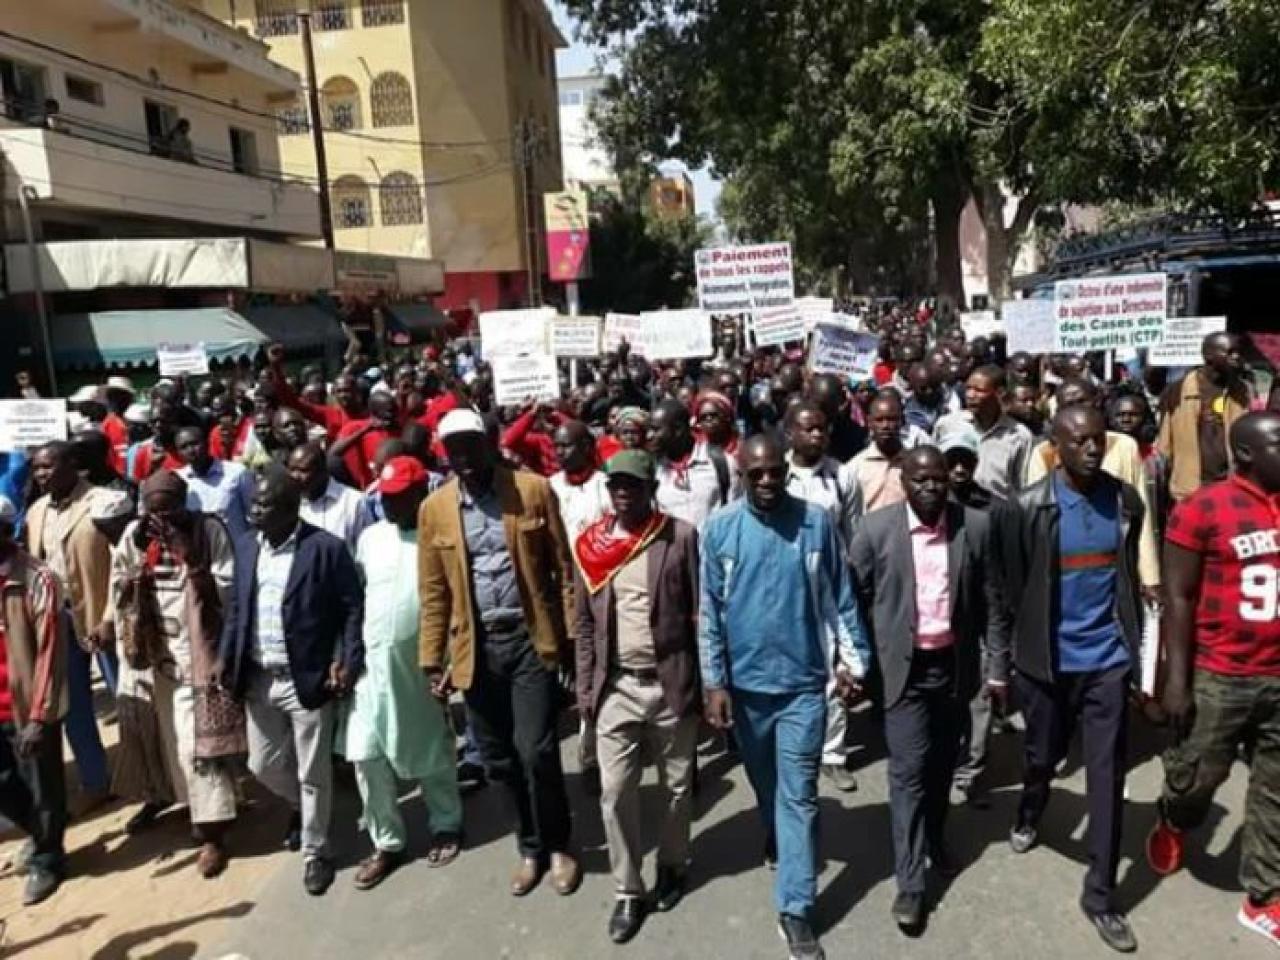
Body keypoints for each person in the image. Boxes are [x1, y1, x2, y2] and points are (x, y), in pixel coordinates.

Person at [699, 433, 870, 960]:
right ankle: (776, 834)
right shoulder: (720, 531)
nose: (768, 481)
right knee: (766, 783)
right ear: (743, 477)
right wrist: (715, 682)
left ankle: (796, 908)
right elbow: (709, 612)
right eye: (757, 475)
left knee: (800, 795)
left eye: (776, 472)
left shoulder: (816, 523)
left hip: (802, 688)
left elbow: (842, 597)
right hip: (747, 693)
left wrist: (853, 661)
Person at [990, 406, 1146, 953]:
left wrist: (1136, 653)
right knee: (1042, 756)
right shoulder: (1025, 509)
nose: (1091, 448)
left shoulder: (1126, 501)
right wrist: (1002, 664)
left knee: (1106, 777)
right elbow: (1008, 591)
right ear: (1054, 446)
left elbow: (1125, 578)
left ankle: (1101, 895)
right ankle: (1032, 807)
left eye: (1098, 439)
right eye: (1078, 439)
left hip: (1107, 663)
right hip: (1046, 666)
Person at [418, 409, 580, 898]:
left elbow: (563, 570)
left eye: (471, 445)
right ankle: (528, 847)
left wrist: (570, 641)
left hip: (532, 641)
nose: (464, 458)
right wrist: (432, 659)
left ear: (489, 443)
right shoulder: (435, 510)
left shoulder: (531, 490)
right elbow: (433, 592)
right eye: (454, 450)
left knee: (537, 750)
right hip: (476, 649)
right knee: (497, 761)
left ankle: (558, 845)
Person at [850, 447, 1008, 931]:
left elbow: (992, 603)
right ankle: (911, 884)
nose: (931, 488)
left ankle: (935, 836)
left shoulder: (974, 528)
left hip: (954, 668)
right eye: (919, 480)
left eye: (938, 479)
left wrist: (997, 669)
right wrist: (855, 663)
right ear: (903, 480)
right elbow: (852, 598)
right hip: (903, 671)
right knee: (908, 772)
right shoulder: (875, 530)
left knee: (942, 765)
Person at [1145, 412, 1280, 945]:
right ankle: (1175, 819)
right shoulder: (1205, 507)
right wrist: (1176, 682)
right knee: (1197, 776)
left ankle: (1264, 896)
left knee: (1274, 792)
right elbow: (1177, 597)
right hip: (1220, 673)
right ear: (1246, 454)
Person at [573, 450, 702, 943]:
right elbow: (584, 625)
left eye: (632, 484)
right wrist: (587, 689)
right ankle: (628, 889)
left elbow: (699, 614)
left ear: (652, 488)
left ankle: (672, 863)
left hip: (670, 683)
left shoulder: (680, 537)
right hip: (616, 688)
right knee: (615, 792)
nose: (622, 492)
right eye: (615, 485)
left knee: (675, 788)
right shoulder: (591, 545)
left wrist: (707, 685)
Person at [218, 467, 365, 896]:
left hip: (307, 678)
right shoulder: (246, 547)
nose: (254, 512)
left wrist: (346, 660)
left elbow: (351, 609)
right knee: (261, 764)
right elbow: (237, 610)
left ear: (289, 508)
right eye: (254, 504)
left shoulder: (325, 549)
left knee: (313, 771)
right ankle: (308, 806)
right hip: (259, 678)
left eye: (263, 505)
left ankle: (315, 851)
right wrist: (228, 662)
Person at [104, 471, 241, 878]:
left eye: (170, 510)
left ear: (184, 504)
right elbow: (118, 587)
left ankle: (212, 835)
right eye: (153, 511)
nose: (161, 520)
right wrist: (137, 571)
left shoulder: (208, 530)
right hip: (152, 654)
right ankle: (203, 808)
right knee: (168, 745)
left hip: (195, 654)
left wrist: (190, 558)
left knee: (195, 746)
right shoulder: (135, 534)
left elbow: (227, 588)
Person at [341, 457, 463, 889]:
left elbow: (454, 606)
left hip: (418, 670)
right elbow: (358, 598)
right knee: (365, 756)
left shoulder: (440, 537)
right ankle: (387, 842)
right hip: (369, 671)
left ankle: (447, 823)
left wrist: (449, 662)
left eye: (397, 498)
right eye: (384, 498)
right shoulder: (371, 539)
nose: (388, 506)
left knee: (428, 751)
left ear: (419, 494)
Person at [26, 441, 115, 808]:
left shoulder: (103, 502)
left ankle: (150, 780)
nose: (42, 474)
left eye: (49, 466)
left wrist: (110, 616)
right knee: (74, 707)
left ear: (73, 465)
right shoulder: (36, 512)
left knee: (128, 699)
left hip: (102, 618)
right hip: (57, 621)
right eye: (37, 469)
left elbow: (121, 566)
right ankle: (96, 783)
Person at [783, 400, 860, 793]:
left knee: (833, 669)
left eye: (821, 429)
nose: (816, 435)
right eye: (807, 428)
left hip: (829, 585)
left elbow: (852, 530)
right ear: (790, 433)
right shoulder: (776, 474)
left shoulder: (841, 475)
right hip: (785, 585)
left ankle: (833, 754)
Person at [0, 494, 69, 905]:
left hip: (27, 708)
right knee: (5, 788)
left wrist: (39, 717)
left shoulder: (37, 578)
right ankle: (42, 831)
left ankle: (48, 857)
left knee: (43, 787)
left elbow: (50, 651)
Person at [1157, 332, 1251, 502]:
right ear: (1209, 356)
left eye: (1238, 352)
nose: (1236, 357)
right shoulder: (1176, 392)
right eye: (1229, 352)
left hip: (1232, 488)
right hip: (1190, 491)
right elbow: (1164, 447)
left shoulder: (1243, 391)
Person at [933, 365, 1033, 501]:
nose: (970, 395)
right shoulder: (948, 425)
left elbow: (1022, 486)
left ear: (1000, 392)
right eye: (968, 388)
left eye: (979, 390)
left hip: (996, 514)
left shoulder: (1019, 436)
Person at [651, 398, 738, 531]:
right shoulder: (653, 470)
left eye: (656, 430)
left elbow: (735, 515)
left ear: (678, 429)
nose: (650, 435)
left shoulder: (721, 463)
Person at [286, 443, 373, 553]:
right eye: (291, 469)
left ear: (322, 470)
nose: (295, 476)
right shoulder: (287, 501)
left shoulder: (353, 502)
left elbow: (367, 547)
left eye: (303, 470)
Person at [842, 391, 917, 515]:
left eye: (891, 419)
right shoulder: (855, 467)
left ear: (901, 421)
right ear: (870, 422)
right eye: (879, 420)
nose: (885, 425)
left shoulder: (913, 463)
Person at [175, 425, 254, 540]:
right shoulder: (179, 480)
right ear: (178, 453)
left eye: (194, 444)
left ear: (207, 443)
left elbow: (252, 514)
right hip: (203, 554)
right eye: (184, 447)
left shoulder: (236, 473)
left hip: (239, 552)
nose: (191, 450)